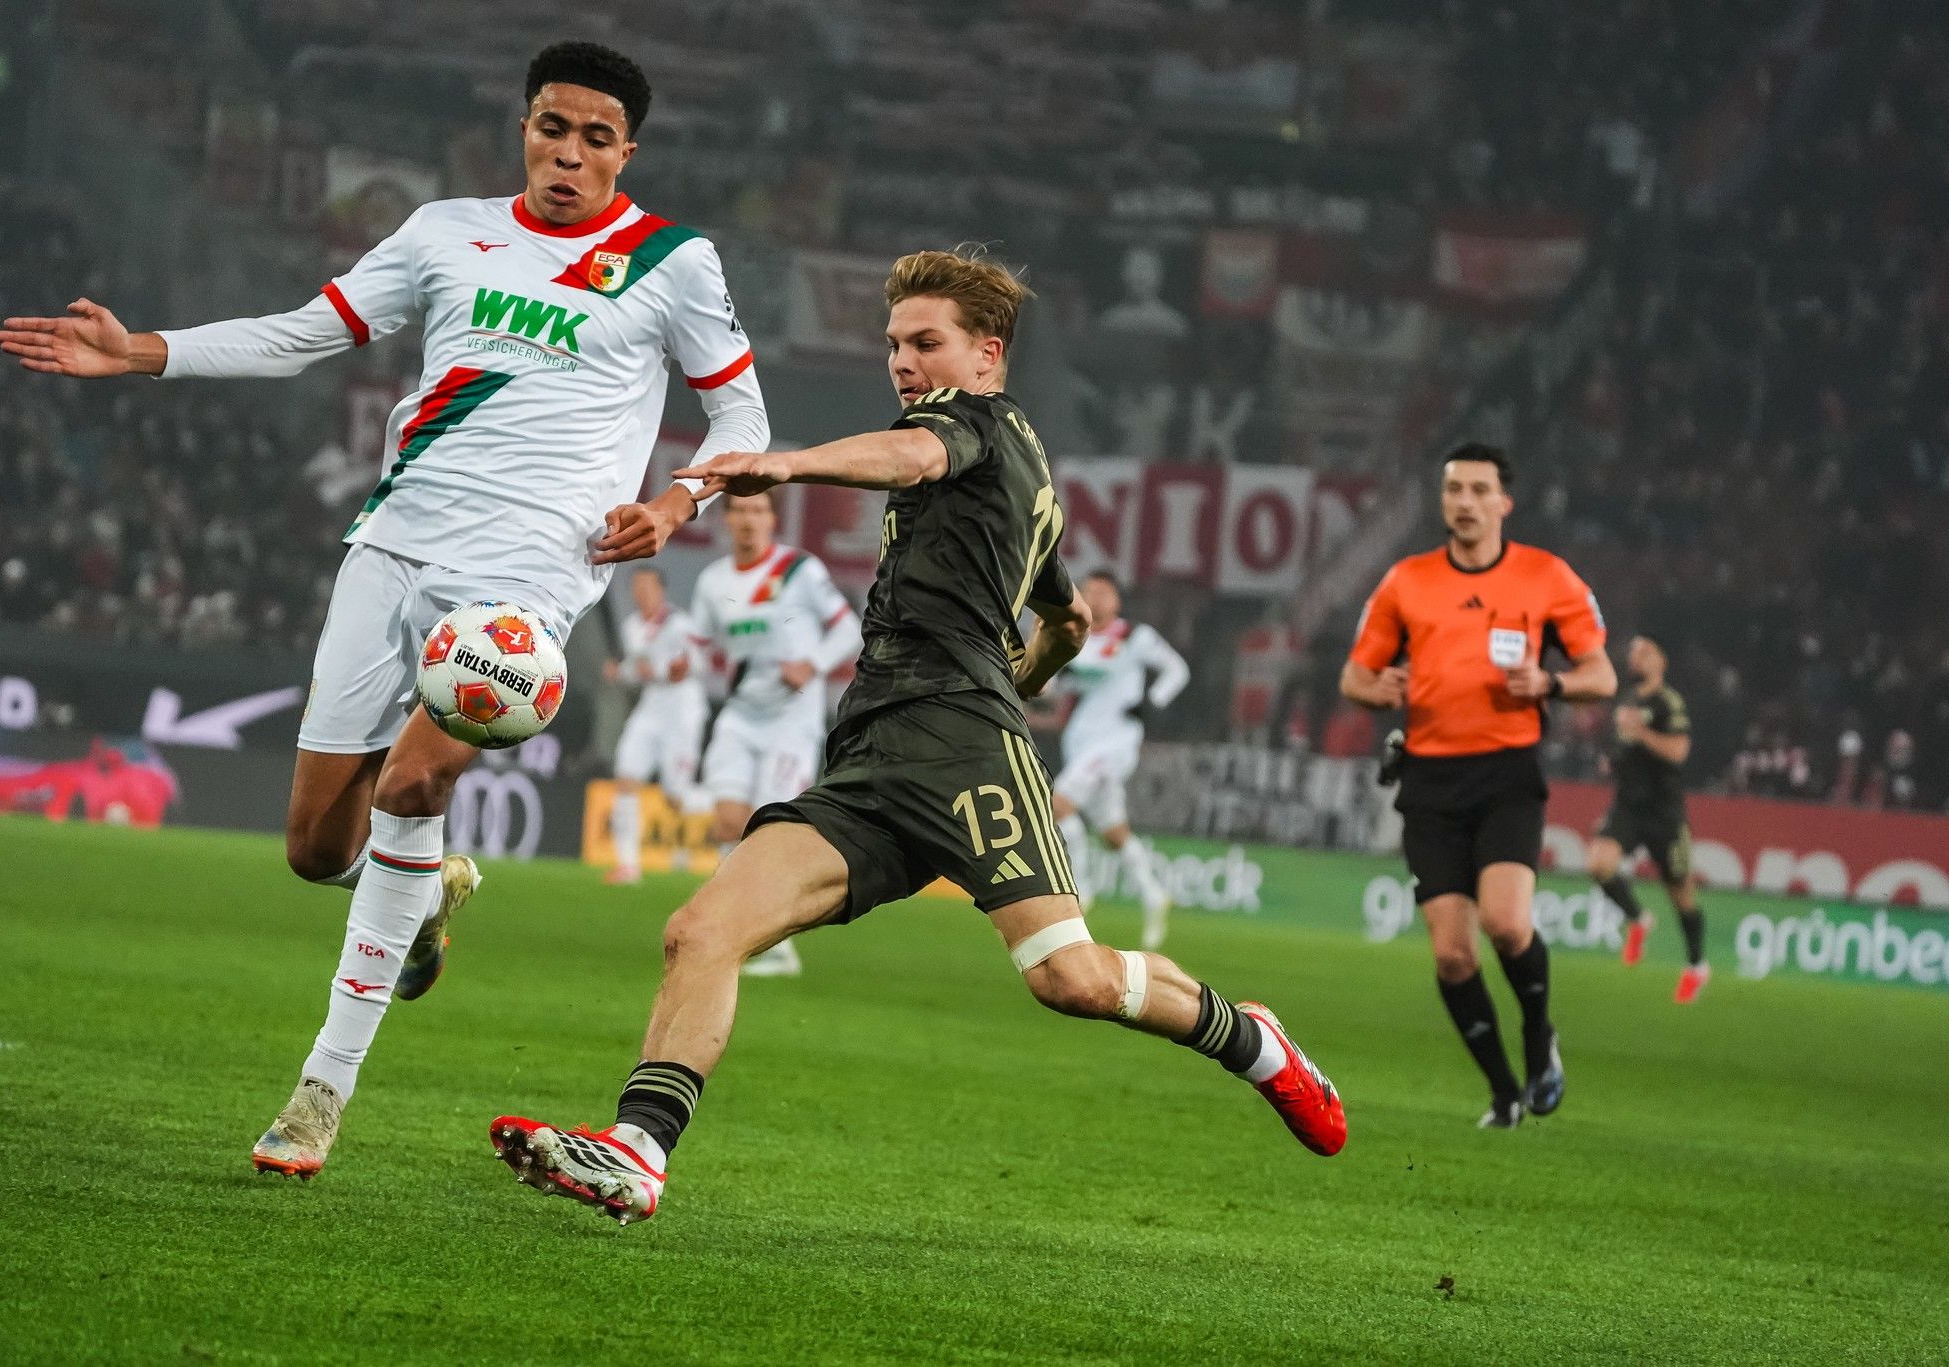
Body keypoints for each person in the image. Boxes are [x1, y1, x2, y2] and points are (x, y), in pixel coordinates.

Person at [0, 41, 767, 1179]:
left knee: (415, 782)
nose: (569, 151)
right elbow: (307, 332)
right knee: (315, 847)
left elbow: (740, 417)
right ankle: (423, 892)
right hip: (394, 545)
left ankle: (319, 1093)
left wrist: (678, 501)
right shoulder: (444, 230)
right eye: (553, 126)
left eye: (597, 137)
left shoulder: (671, 261)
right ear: (524, 129)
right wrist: (144, 351)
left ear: (626, 152)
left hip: (534, 575)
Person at [488, 248, 1346, 1224]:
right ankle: (638, 1150)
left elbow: (913, 454)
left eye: (924, 342)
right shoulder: (1017, 492)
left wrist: (787, 461)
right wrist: (1025, 673)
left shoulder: (980, 425)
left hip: (959, 741)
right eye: (893, 343)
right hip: (873, 754)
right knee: (701, 928)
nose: (902, 359)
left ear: (986, 355)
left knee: (1070, 977)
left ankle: (1256, 1040)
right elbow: (1064, 620)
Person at [1341, 444, 1615, 1130]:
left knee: (1505, 922)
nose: (1463, 501)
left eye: (1477, 489)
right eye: (1453, 488)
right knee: (1452, 952)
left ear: (1504, 503)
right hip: (1429, 777)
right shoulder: (1407, 581)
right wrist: (1378, 689)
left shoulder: (1545, 576)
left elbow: (1601, 676)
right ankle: (1503, 1092)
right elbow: (1354, 677)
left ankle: (1538, 1034)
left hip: (1506, 773)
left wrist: (1550, 682)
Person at [686, 491, 862, 976]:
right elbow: (701, 648)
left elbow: (849, 629)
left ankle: (777, 945)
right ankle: (730, 929)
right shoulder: (712, 581)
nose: (749, 520)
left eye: (759, 510)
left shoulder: (798, 570)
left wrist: (815, 664)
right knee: (726, 822)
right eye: (740, 510)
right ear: (727, 520)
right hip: (740, 714)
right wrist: (699, 666)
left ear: (772, 520)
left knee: (769, 831)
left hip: (791, 720)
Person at [1051, 571, 1191, 948]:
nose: (1094, 599)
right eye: (1088, 591)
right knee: (1113, 832)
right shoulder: (1074, 638)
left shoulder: (1135, 637)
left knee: (1057, 803)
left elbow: (1177, 669)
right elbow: (1057, 684)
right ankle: (1153, 895)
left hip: (1116, 741)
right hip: (1082, 739)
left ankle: (1081, 890)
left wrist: (1152, 702)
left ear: (1117, 600)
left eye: (1103, 592)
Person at [1588, 635, 1710, 1003]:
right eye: (1633, 652)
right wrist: (1612, 762)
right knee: (1599, 864)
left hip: (1664, 812)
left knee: (1681, 894)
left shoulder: (1667, 703)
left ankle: (1696, 966)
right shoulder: (1627, 702)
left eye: (1645, 652)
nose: (1636, 658)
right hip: (1628, 806)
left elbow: (1678, 751)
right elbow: (1625, 751)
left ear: (1662, 661)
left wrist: (1640, 733)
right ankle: (1638, 919)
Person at [604, 567, 710, 884]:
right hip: (650, 709)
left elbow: (699, 663)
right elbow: (638, 671)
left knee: (675, 797)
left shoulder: (681, 624)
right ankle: (628, 866)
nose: (641, 592)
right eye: (636, 586)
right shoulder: (632, 627)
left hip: (682, 712)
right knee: (625, 776)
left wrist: (670, 669)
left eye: (647, 586)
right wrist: (620, 673)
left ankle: (723, 805)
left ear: (661, 589)